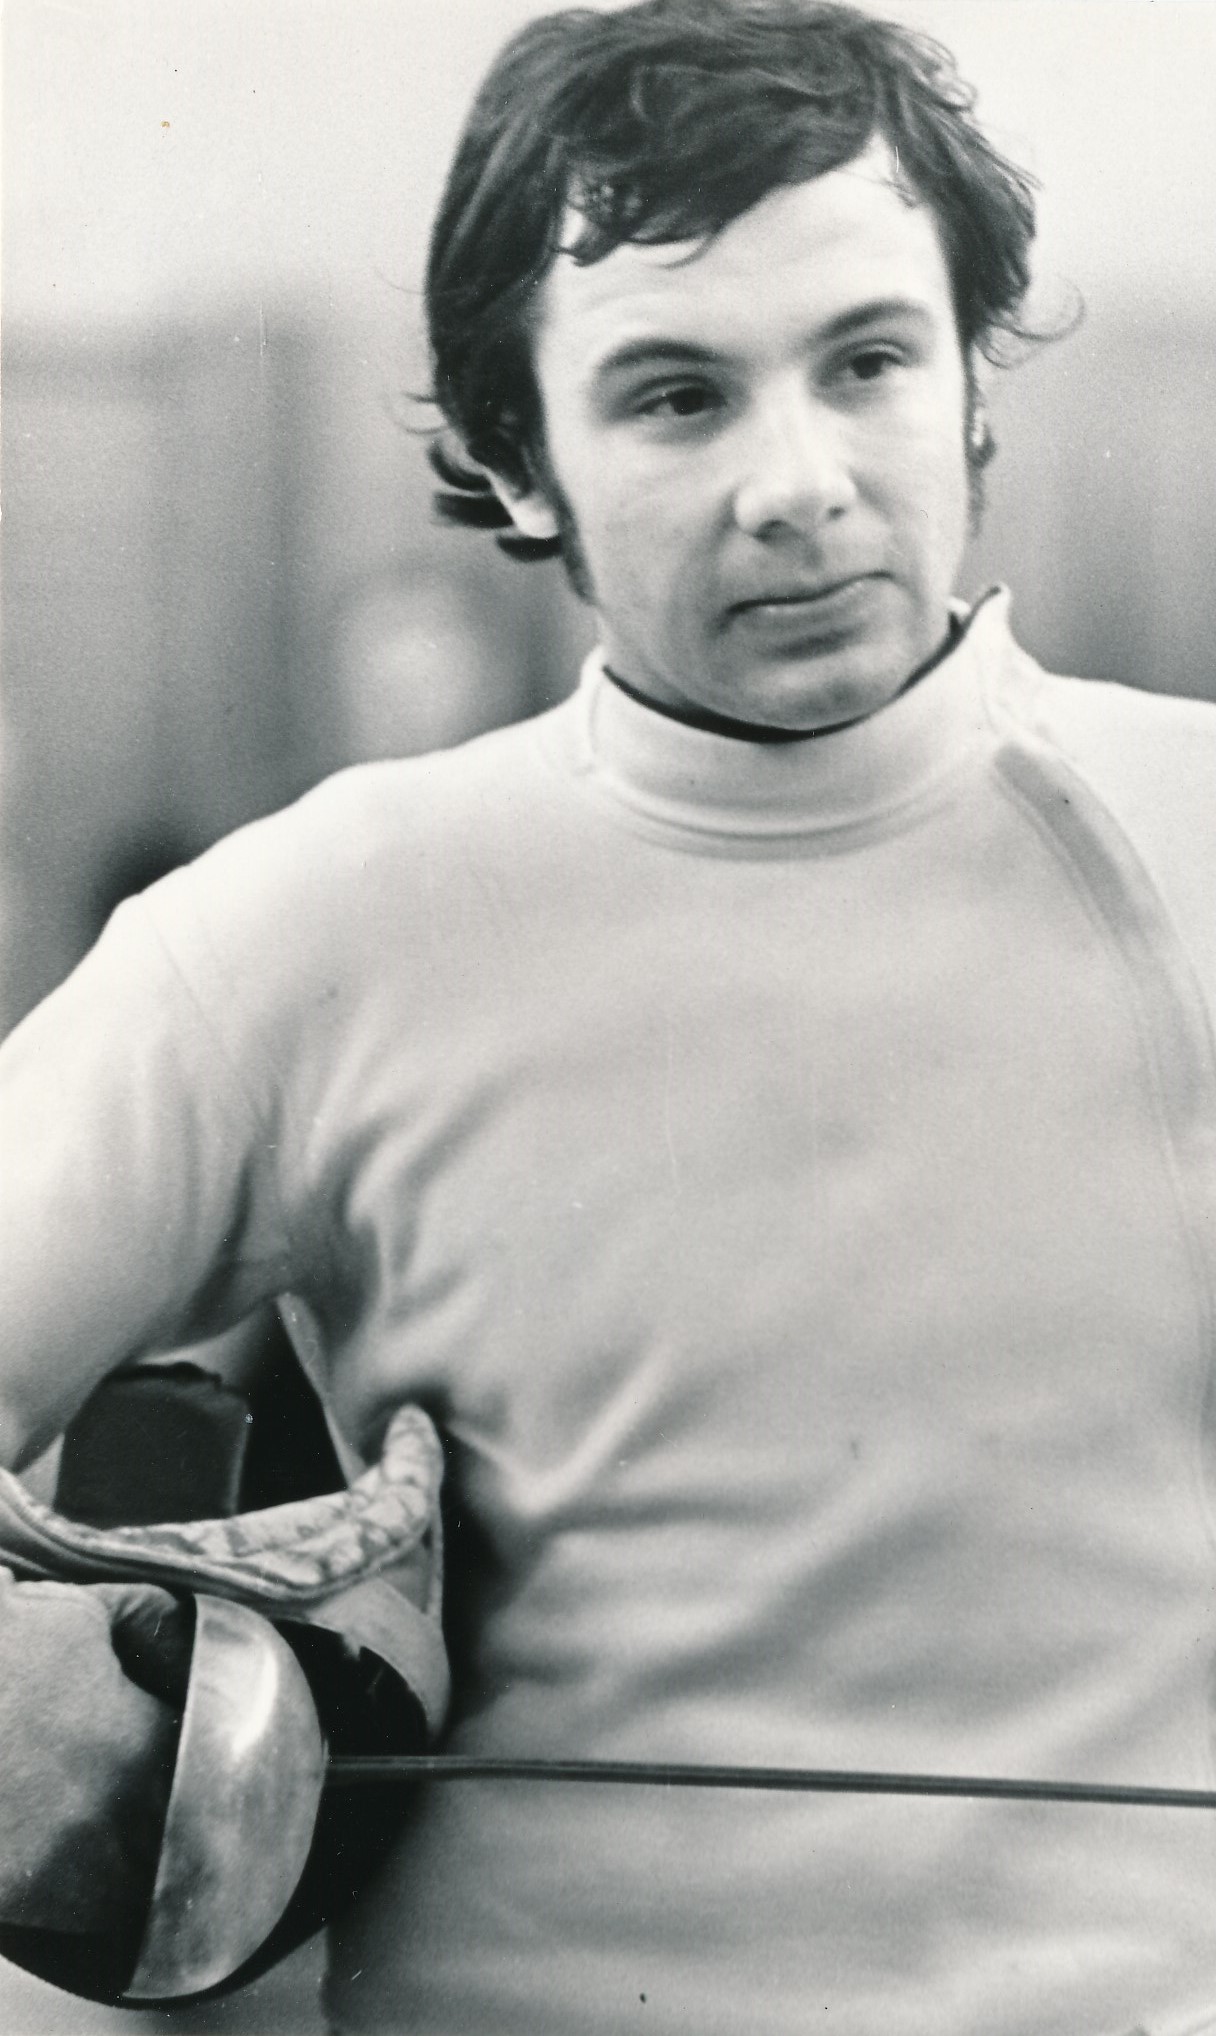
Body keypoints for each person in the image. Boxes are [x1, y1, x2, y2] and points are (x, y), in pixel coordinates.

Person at [2, 1, 1215, 2029]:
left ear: (971, 385)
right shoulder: (311, 925)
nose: (796, 483)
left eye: (866, 362)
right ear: (515, 458)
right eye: (674, 396)